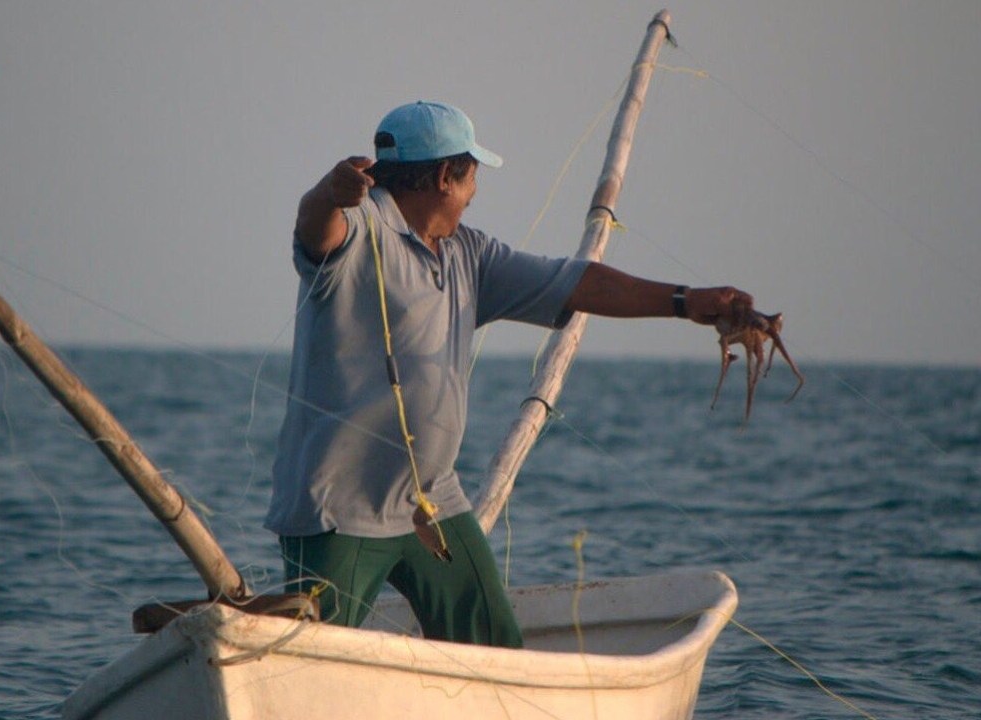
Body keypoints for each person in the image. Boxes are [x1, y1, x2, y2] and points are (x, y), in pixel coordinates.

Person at [266, 101, 752, 648]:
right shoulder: (359, 227)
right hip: (341, 508)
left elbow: (577, 283)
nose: (476, 191)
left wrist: (687, 302)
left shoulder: (468, 253)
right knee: (307, 659)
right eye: (473, 176)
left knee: (493, 646)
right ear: (448, 177)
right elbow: (315, 230)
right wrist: (329, 194)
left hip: (431, 503)